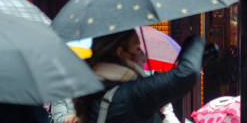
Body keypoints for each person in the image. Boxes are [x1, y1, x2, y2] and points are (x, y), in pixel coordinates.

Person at [74, 30, 205, 123]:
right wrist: (195, 40)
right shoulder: (130, 94)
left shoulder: (98, 88)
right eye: (137, 49)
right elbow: (186, 74)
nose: (144, 55)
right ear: (121, 53)